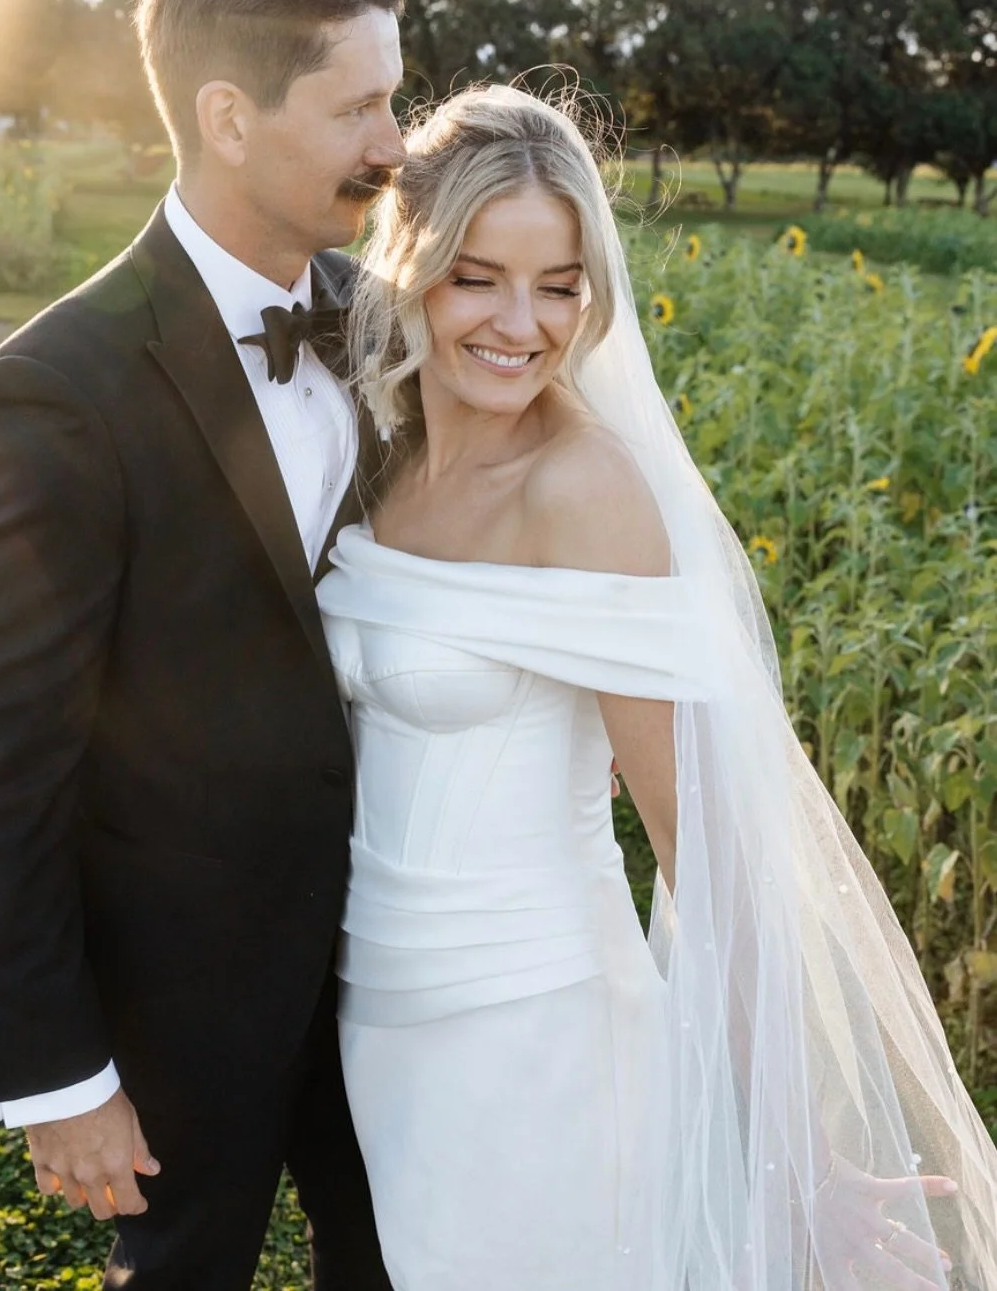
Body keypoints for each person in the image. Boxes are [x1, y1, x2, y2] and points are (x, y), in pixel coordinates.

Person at [316, 85, 997, 1291]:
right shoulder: (380, 455)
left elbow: (708, 846)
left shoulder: (586, 490)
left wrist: (804, 1161)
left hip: (547, 1037)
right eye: (478, 276)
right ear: (409, 262)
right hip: (381, 1026)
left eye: (561, 284)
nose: (521, 324)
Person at [0, 0, 409, 1290]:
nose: (395, 145)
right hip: (179, 994)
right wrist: (55, 1071)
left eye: (397, 98)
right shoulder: (55, 390)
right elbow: (2, 760)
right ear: (228, 116)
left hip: (399, 960)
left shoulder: (388, 325)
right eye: (360, 107)